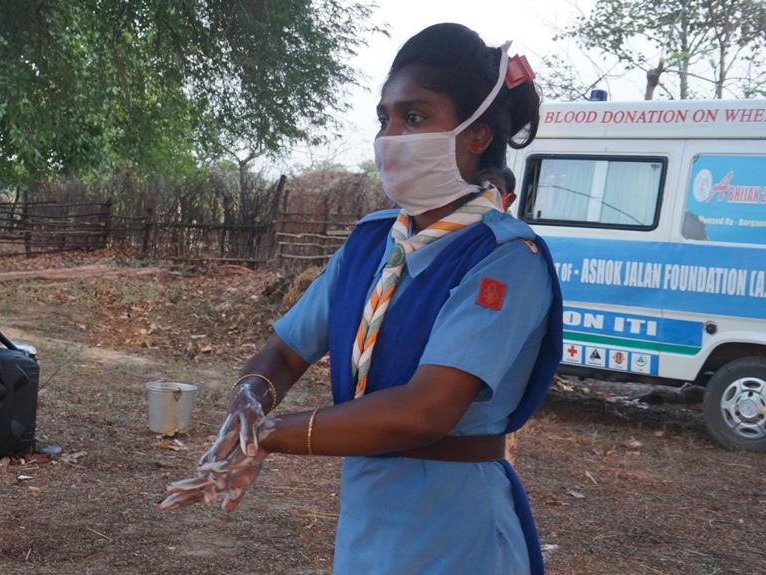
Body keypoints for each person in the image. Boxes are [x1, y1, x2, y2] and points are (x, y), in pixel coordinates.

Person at [160, 23, 563, 575]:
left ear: (476, 136)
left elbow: (424, 412)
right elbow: (285, 352)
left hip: (456, 526)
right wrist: (247, 400)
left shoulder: (507, 259)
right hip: (370, 517)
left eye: (415, 117)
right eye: (385, 118)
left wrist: (268, 437)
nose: (391, 136)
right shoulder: (373, 242)